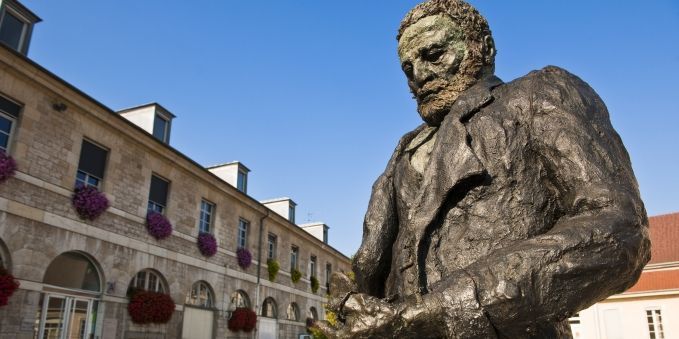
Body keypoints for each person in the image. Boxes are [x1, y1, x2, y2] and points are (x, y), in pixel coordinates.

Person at [322, 0, 651, 338]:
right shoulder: (404, 149)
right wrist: (350, 299)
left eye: (434, 55)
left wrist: (435, 311)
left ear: (483, 48)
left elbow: (620, 228)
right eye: (408, 68)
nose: (418, 76)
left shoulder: (536, 95)